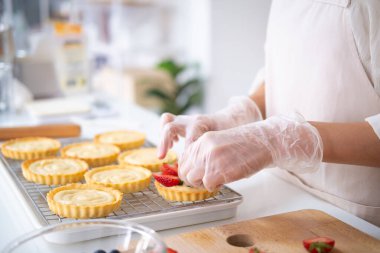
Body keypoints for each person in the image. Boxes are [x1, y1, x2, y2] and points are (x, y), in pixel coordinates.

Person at [157, 0, 380, 226]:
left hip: (357, 218)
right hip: (279, 196)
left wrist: (280, 140)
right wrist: (234, 116)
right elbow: (289, 75)